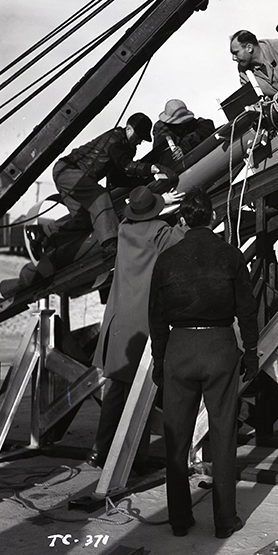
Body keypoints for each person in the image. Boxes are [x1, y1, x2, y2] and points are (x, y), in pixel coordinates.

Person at [149, 187, 259, 538]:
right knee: (223, 436)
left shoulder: (166, 260)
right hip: (219, 347)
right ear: (213, 218)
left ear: (182, 219)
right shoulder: (230, 255)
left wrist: (159, 359)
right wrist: (252, 352)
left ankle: (180, 519)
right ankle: (225, 520)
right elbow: (247, 309)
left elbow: (156, 316)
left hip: (179, 349)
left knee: (176, 440)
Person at [86, 186, 185, 471]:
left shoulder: (124, 229)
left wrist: (159, 205)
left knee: (117, 390)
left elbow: (140, 217)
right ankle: (137, 458)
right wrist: (174, 209)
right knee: (142, 390)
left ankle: (98, 450)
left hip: (119, 321)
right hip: (143, 322)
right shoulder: (160, 232)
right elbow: (188, 236)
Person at [47, 113, 176, 258]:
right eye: (138, 136)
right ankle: (110, 245)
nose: (139, 142)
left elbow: (116, 176)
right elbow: (126, 166)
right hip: (67, 171)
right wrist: (153, 168)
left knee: (85, 221)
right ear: (128, 129)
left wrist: (140, 181)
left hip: (72, 176)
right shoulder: (114, 140)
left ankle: (48, 235)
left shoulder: (127, 148)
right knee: (100, 197)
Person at [152, 99, 215, 168]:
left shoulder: (187, 122)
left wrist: (188, 142)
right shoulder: (161, 130)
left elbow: (207, 125)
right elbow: (165, 156)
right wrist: (178, 151)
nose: (182, 125)